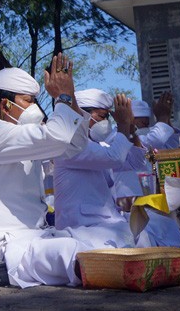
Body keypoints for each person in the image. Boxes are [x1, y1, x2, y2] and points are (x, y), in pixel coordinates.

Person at [0, 53, 92, 288]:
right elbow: (58, 137)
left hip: (34, 239)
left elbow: (75, 145)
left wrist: (69, 96)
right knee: (71, 251)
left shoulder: (20, 135)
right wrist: (61, 97)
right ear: (5, 105)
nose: (35, 107)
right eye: (29, 101)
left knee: (99, 237)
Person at [53, 89, 151, 248]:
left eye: (107, 117)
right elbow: (115, 157)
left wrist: (131, 127)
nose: (106, 122)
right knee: (131, 240)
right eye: (101, 116)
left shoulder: (102, 146)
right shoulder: (69, 144)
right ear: (83, 115)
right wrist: (123, 124)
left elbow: (137, 162)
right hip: (81, 227)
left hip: (106, 224)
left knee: (154, 230)